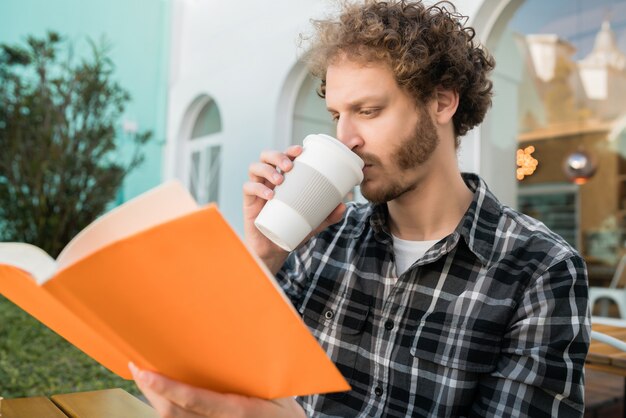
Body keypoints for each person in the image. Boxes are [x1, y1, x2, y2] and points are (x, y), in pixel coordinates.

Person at [130, 0, 590, 416]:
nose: (344, 138)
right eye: (336, 115)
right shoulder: (321, 236)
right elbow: (221, 366)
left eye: (367, 110)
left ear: (442, 101)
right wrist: (263, 256)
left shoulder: (540, 269)